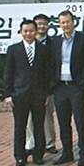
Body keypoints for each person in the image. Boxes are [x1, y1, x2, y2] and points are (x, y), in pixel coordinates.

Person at [4, 20, 50, 166]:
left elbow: (47, 73)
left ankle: (38, 155)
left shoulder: (43, 49)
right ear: (21, 32)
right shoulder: (13, 50)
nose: (28, 34)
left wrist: (47, 93)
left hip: (38, 95)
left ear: (36, 31)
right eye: (25, 31)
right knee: (20, 127)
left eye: (31, 31)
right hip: (19, 94)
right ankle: (19, 156)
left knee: (38, 125)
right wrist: (7, 94)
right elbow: (8, 73)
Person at [51, 10, 84, 166]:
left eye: (67, 22)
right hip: (61, 87)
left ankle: (83, 153)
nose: (65, 25)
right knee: (63, 122)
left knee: (80, 121)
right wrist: (53, 85)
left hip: (77, 87)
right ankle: (67, 153)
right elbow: (51, 64)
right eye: (62, 22)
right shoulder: (55, 41)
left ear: (73, 21)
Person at [25, 14, 58, 156]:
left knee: (48, 116)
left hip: (47, 88)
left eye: (45, 24)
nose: (42, 26)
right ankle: (31, 143)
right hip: (28, 88)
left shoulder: (53, 44)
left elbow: (54, 66)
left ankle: (49, 143)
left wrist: (50, 86)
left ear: (49, 26)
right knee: (30, 118)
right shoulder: (27, 44)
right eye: (39, 24)